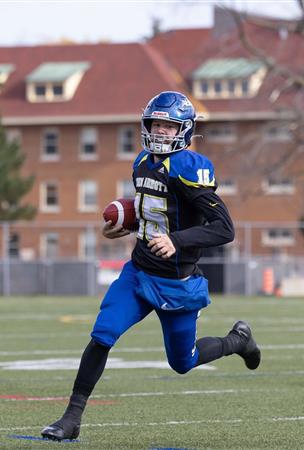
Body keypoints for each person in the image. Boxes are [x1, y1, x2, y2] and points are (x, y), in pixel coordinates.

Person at [41, 91, 261, 441]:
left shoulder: (189, 168)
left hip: (177, 282)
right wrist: (122, 227)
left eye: (168, 125)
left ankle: (238, 341)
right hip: (140, 273)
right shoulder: (142, 161)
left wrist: (178, 240)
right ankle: (71, 419)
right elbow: (154, 214)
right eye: (156, 124)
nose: (160, 131)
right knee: (102, 334)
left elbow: (224, 228)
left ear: (184, 130)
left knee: (183, 362)